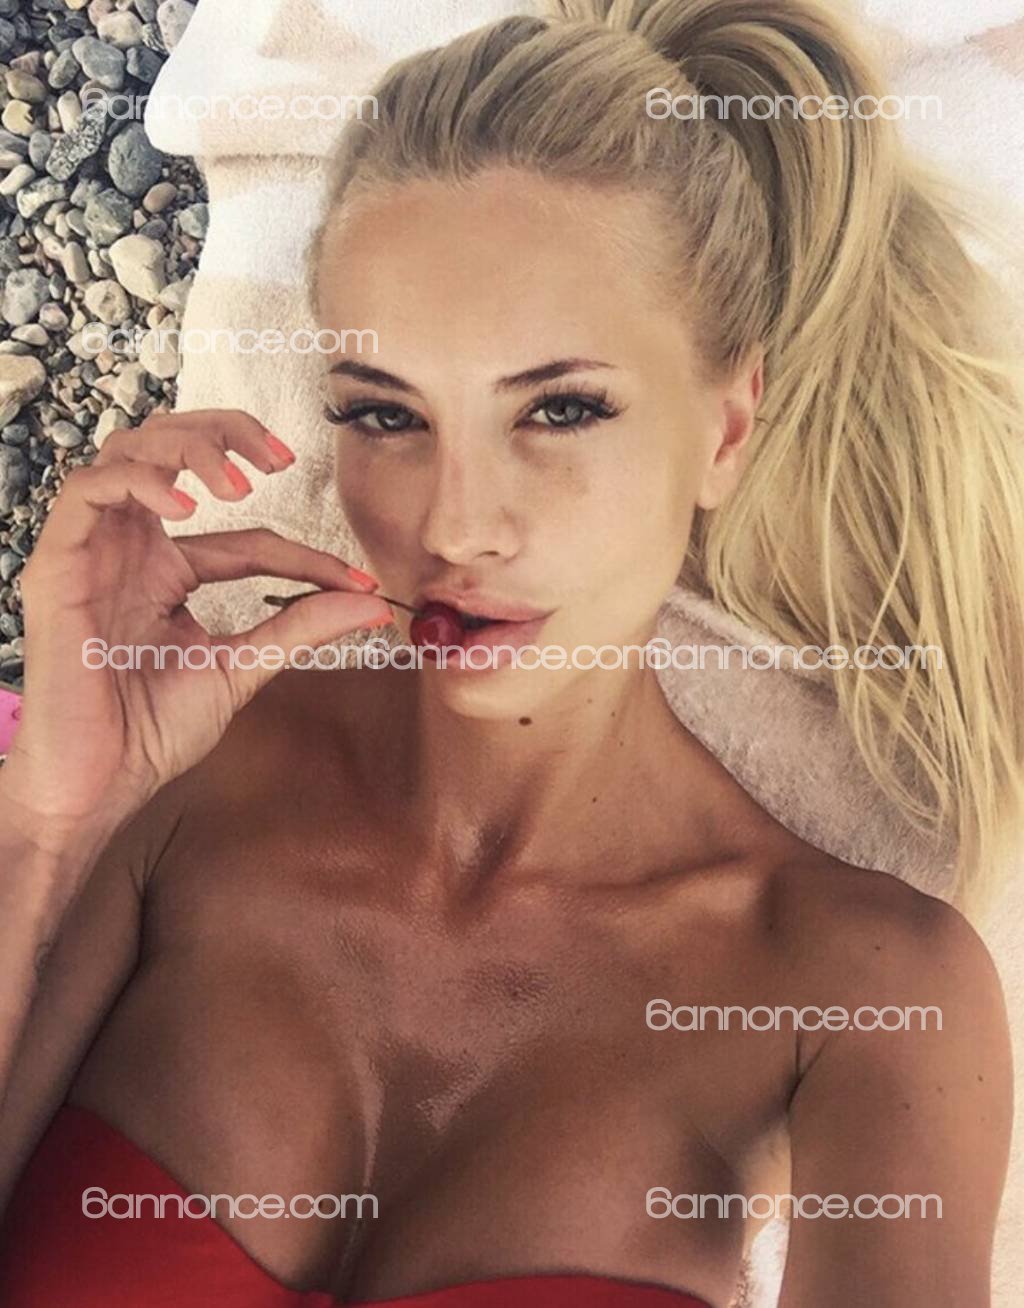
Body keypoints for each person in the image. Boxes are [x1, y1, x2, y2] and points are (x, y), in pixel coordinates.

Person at [1, 1, 1022, 1304]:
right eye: (388, 416)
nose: (454, 525)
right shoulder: (176, 790)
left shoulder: (861, 988)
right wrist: (53, 820)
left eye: (560, 408)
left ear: (724, 431)